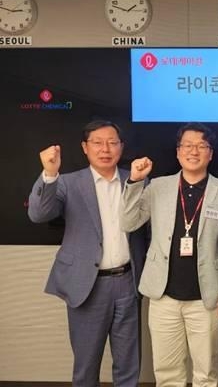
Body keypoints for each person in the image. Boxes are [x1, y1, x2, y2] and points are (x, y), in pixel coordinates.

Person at [27, 120, 146, 386]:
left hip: (128, 282)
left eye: (112, 142)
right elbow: (38, 214)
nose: (105, 149)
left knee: (129, 364)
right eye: (97, 143)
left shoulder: (137, 179)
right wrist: (49, 173)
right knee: (86, 365)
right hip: (87, 284)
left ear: (121, 147)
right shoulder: (68, 183)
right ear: (84, 147)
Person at [120, 122, 218, 386]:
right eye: (187, 145)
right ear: (177, 151)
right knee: (167, 371)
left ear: (210, 154)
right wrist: (135, 181)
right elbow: (128, 222)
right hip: (163, 295)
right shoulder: (157, 186)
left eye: (201, 146)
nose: (194, 151)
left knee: (205, 373)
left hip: (205, 296)